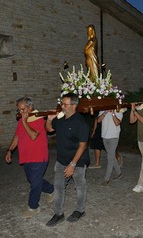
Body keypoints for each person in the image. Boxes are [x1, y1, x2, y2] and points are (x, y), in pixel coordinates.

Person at [5, 97, 54, 218]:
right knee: (34, 180)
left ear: (30, 107)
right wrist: (9, 150)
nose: (20, 112)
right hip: (26, 156)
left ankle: (33, 207)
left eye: (23, 109)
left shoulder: (38, 119)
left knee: (34, 183)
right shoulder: (22, 120)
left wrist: (25, 122)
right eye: (19, 110)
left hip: (38, 156)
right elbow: (17, 136)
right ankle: (52, 190)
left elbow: (33, 136)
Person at [45, 93, 89, 227]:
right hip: (61, 161)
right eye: (61, 103)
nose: (62, 106)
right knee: (58, 187)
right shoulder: (61, 119)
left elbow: (83, 145)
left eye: (65, 104)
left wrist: (72, 164)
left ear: (74, 106)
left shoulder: (80, 123)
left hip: (78, 162)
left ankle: (80, 210)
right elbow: (50, 129)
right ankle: (58, 214)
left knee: (80, 187)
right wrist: (49, 119)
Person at [97, 109, 123, 185]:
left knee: (110, 158)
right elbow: (98, 120)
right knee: (111, 156)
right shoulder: (102, 110)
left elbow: (117, 123)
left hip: (114, 136)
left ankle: (106, 179)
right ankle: (119, 173)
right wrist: (104, 112)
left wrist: (113, 113)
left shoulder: (118, 110)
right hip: (105, 136)